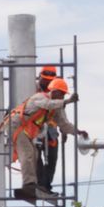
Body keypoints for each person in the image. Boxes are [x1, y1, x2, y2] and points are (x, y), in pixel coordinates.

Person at [7, 77, 86, 203]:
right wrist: (68, 101)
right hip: (16, 127)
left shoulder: (57, 107)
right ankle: (29, 185)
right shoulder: (39, 97)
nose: (62, 96)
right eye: (61, 94)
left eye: (63, 95)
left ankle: (32, 184)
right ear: (54, 91)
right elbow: (48, 104)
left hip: (26, 131)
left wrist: (77, 132)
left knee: (35, 154)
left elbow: (64, 124)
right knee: (28, 154)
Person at [35, 64, 61, 192]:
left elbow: (60, 112)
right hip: (33, 127)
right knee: (35, 155)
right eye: (44, 79)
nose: (47, 82)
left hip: (50, 127)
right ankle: (39, 183)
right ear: (40, 77)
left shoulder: (56, 90)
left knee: (52, 156)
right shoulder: (31, 88)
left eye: (50, 81)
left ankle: (46, 184)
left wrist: (64, 129)